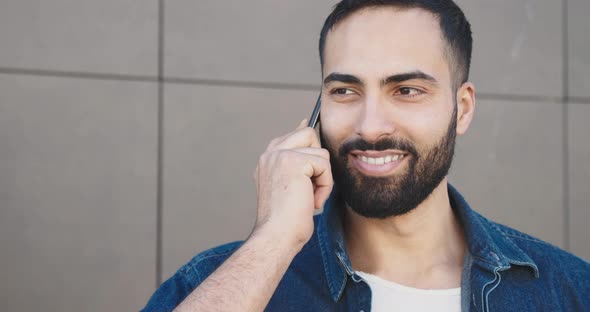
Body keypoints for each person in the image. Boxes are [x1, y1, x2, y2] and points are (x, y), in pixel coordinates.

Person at [142, 0, 590, 311]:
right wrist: (272, 242)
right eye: (345, 91)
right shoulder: (223, 281)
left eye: (407, 90)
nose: (370, 126)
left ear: (463, 109)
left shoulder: (569, 291)